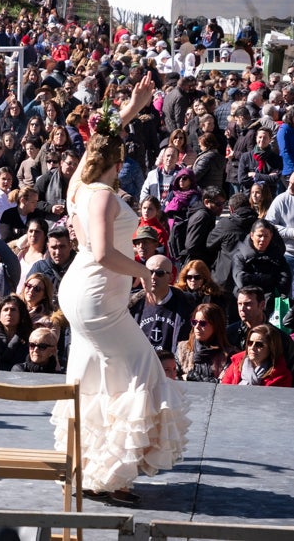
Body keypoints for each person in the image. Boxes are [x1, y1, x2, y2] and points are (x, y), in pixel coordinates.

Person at [51, 82, 189, 505]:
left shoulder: (78, 184)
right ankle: (112, 474)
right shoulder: (104, 196)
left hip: (83, 292)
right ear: (119, 160)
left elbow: (103, 139)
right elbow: (102, 251)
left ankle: (89, 466)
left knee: (95, 377)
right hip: (97, 298)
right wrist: (143, 273)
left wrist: (130, 109)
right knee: (141, 371)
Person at [221, 324, 293, 387]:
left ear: (271, 348)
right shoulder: (236, 364)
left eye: (259, 345)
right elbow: (224, 390)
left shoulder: (282, 376)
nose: (252, 347)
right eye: (250, 343)